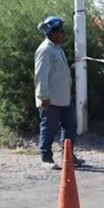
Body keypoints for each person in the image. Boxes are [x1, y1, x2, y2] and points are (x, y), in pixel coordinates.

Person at [34, 16, 85, 169]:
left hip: (63, 98)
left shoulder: (56, 49)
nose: (64, 34)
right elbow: (41, 74)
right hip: (50, 99)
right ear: (53, 33)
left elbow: (56, 72)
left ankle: (67, 157)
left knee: (69, 127)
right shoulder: (45, 50)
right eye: (61, 31)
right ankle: (46, 158)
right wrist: (43, 96)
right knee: (48, 128)